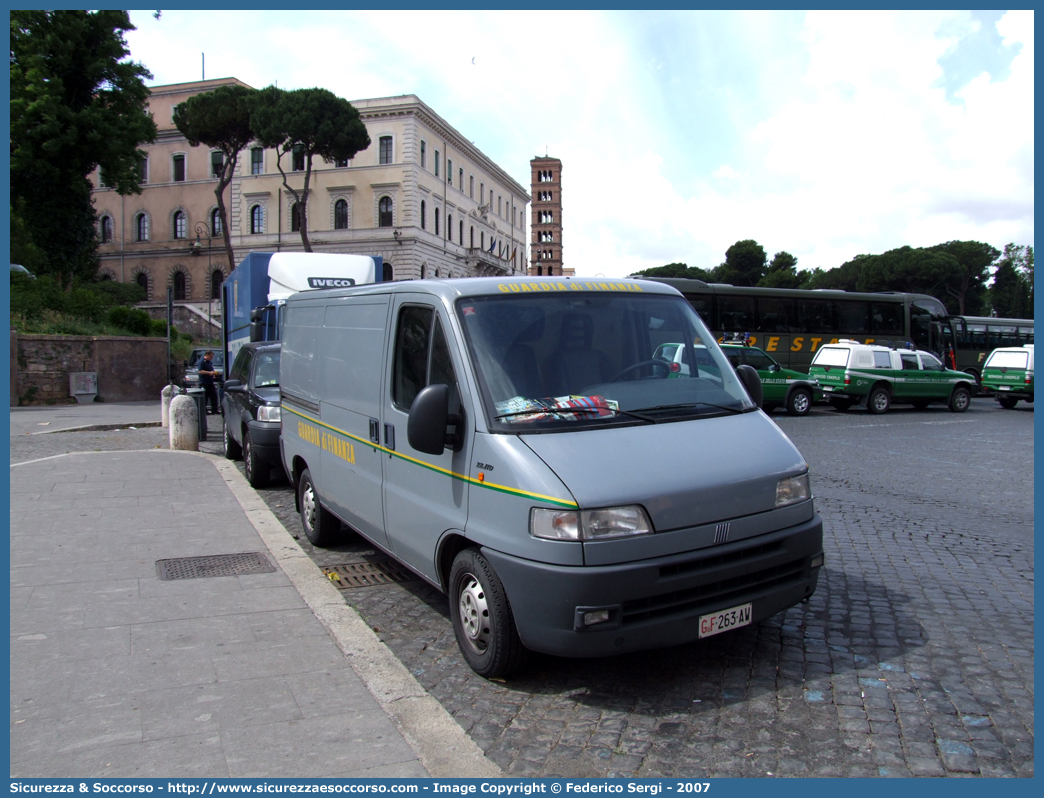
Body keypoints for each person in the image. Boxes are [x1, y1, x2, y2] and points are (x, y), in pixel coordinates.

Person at [198, 350, 220, 415]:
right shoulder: (202, 362)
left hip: (210, 381)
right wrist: (209, 373)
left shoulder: (209, 363)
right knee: (205, 397)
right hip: (204, 382)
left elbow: (211, 370)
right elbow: (200, 371)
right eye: (210, 356)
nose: (211, 358)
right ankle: (204, 410)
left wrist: (213, 375)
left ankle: (214, 410)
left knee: (214, 396)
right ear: (207, 355)